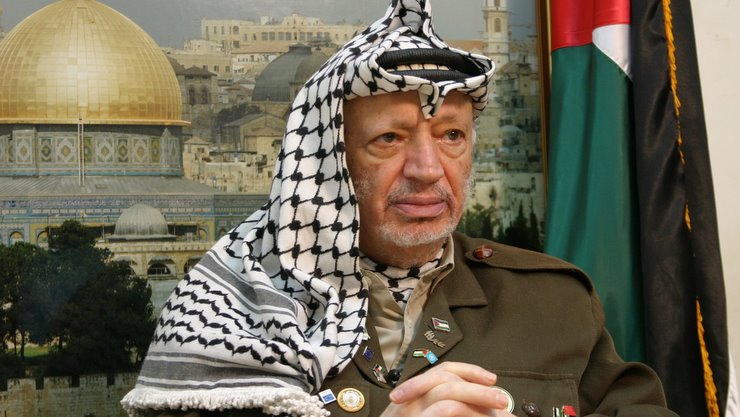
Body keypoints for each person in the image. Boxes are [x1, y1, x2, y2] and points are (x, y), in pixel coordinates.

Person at [123, 1, 680, 416]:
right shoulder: (234, 312)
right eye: (389, 138)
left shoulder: (552, 303)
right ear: (327, 160)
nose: (428, 168)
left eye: (452, 135)